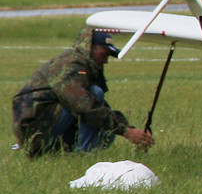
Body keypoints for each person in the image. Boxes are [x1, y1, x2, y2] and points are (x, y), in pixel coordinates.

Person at [11, 29, 153, 157]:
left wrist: (129, 129)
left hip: (47, 123)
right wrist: (127, 132)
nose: (105, 61)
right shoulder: (70, 65)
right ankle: (85, 155)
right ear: (89, 48)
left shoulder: (80, 63)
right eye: (104, 54)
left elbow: (97, 106)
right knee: (95, 95)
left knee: (106, 131)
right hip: (35, 130)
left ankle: (63, 154)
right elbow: (85, 106)